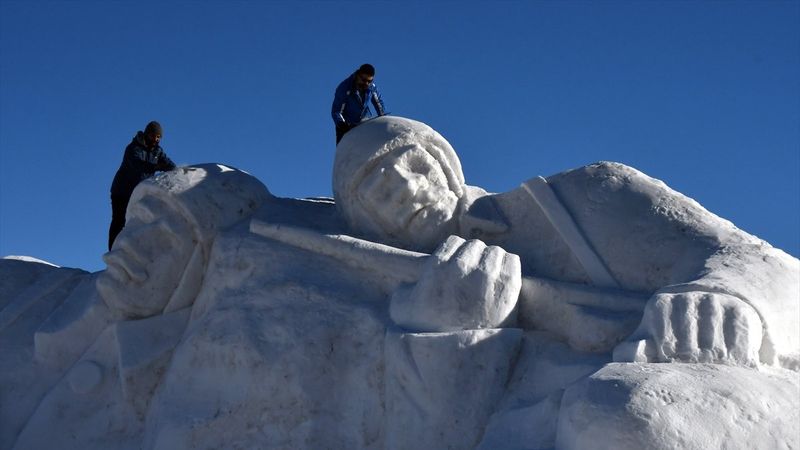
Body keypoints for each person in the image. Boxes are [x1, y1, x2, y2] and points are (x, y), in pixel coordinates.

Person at [108, 121, 176, 250]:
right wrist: (156, 166)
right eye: (153, 136)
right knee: (119, 220)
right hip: (122, 191)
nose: (155, 139)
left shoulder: (157, 151)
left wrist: (172, 170)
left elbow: (170, 165)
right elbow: (137, 166)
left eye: (158, 137)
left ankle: (130, 251)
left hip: (138, 193)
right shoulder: (133, 148)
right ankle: (113, 251)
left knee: (137, 222)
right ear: (147, 134)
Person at [331, 64, 386, 144]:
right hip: (346, 125)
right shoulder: (344, 88)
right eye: (364, 80)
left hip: (364, 121)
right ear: (358, 75)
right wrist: (343, 126)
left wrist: (383, 118)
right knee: (345, 151)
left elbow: (378, 102)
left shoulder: (371, 86)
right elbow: (337, 111)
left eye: (369, 81)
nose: (366, 83)